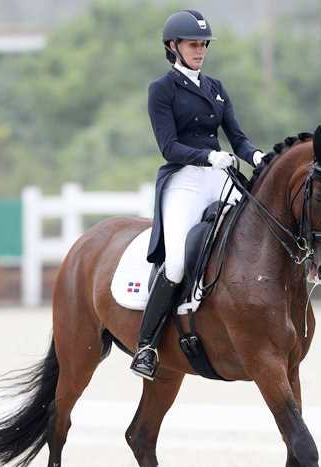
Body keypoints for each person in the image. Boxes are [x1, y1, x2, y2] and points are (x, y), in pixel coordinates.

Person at [130, 9, 265, 380]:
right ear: (173, 47)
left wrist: (257, 156)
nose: (200, 50)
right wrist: (207, 156)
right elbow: (168, 146)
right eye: (193, 44)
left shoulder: (216, 87)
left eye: (203, 44)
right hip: (186, 179)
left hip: (220, 174)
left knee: (259, 232)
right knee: (175, 263)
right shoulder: (162, 90)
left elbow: (236, 137)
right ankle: (146, 346)